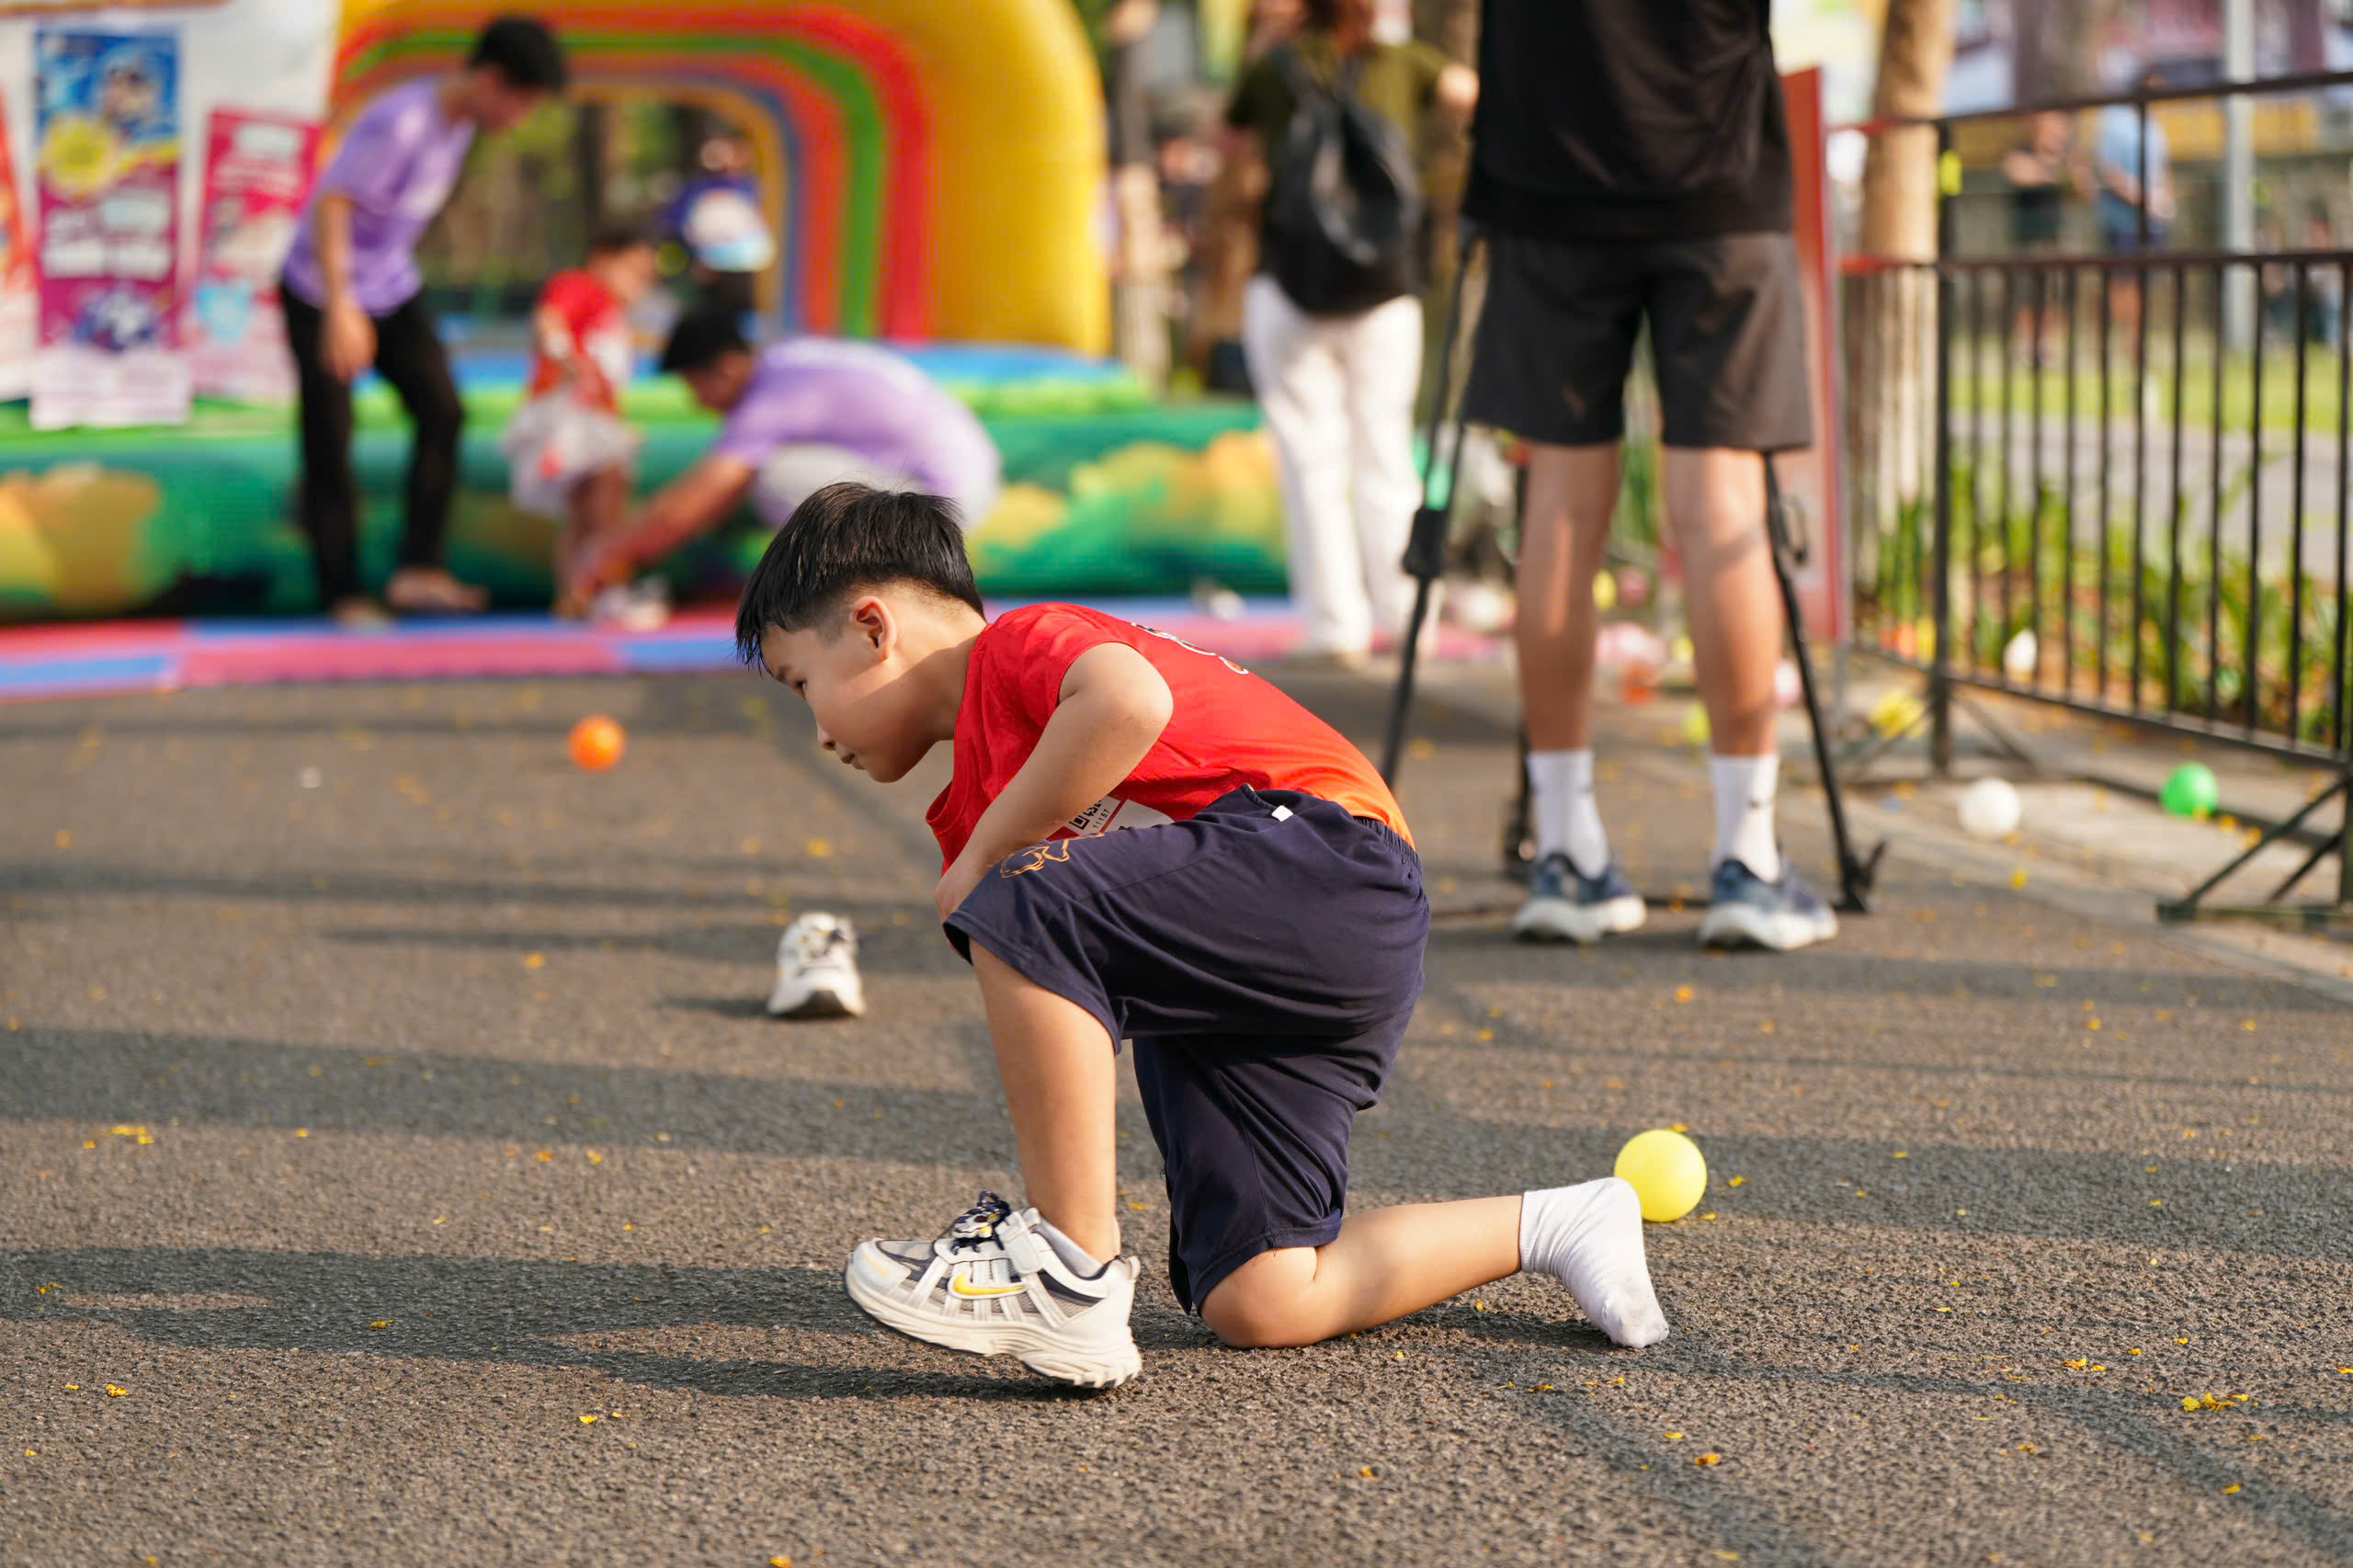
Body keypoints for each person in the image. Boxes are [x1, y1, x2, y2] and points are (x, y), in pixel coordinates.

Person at [737, 482, 1668, 1387]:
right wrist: (990, 861)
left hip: (1331, 864)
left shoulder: (1018, 645)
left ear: (873, 627)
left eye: (800, 683)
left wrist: (989, 859)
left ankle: (1068, 1269)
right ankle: (1561, 1221)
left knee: (1021, 896)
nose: (817, 731)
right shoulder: (976, 801)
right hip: (1257, 966)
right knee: (1260, 1294)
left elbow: (1127, 703)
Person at [1463, 0, 1835, 951]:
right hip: (1715, 173)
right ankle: (1747, 858)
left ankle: (1563, 849)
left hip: (1547, 182)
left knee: (1558, 510)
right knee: (1722, 507)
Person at [280, 15, 566, 628]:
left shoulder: (459, 127)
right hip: (322, 289)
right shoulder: (402, 122)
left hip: (390, 286)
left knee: (443, 409)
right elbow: (333, 205)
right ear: (490, 80)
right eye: (522, 102)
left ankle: (418, 569)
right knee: (330, 433)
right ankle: (342, 592)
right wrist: (340, 308)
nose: (522, 118)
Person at [1222, 0, 1475, 665]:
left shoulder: (1275, 68)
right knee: (1386, 452)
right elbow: (1470, 94)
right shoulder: (1404, 62)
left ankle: (1334, 624)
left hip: (1291, 282)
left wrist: (1267, 37)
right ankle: (1408, 615)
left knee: (1310, 460)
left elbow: (1230, 134)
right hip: (1384, 287)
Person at [563, 309, 1000, 607]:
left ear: (726, 367)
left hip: (940, 504)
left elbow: (691, 505)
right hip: (953, 482)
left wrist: (607, 553)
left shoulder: (770, 395)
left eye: (695, 386)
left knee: (774, 478)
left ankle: (858, 586)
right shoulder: (790, 363)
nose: (697, 403)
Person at [499, 222, 660, 623]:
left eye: (648, 278)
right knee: (608, 495)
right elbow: (548, 321)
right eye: (635, 273)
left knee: (583, 507)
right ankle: (608, 589)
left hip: (583, 416)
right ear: (602, 258)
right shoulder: (582, 287)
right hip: (571, 416)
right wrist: (567, 360)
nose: (641, 286)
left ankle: (574, 592)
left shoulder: (610, 311)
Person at [2093, 69, 2174, 349]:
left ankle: (2136, 341)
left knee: (2143, 282)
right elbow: (2107, 170)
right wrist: (2138, 197)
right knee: (2120, 282)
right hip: (2122, 220)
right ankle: (2116, 340)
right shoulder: (2115, 124)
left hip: (2152, 220)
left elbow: (2162, 169)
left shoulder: (2156, 128)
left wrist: (2165, 199)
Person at [667, 131, 773, 321]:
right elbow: (681, 223)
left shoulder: (751, 186)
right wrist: (694, 257)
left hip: (744, 264)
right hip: (710, 266)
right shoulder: (697, 187)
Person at [2003, 110, 2075, 359]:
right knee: (2026, 293)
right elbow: (2019, 173)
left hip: (2054, 235)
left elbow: (2081, 185)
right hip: (2027, 235)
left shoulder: (2065, 155)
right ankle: (2026, 343)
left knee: (2052, 293)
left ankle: (2045, 344)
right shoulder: (2021, 149)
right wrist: (2050, 170)